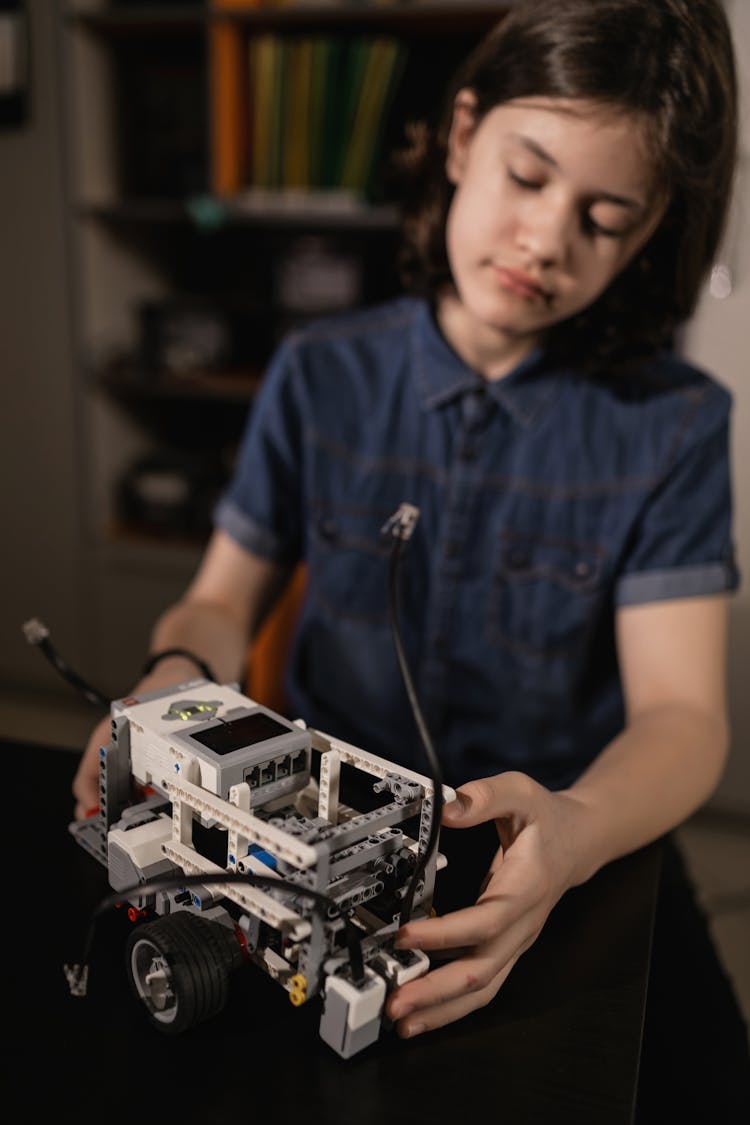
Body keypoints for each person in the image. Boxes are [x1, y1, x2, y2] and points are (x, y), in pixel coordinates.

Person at [74, 0, 749, 1112]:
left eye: (606, 216)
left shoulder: (672, 425)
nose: (545, 240)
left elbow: (684, 719)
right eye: (527, 178)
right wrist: (166, 690)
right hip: (311, 845)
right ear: (461, 134)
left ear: (654, 230)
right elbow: (216, 604)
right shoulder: (317, 372)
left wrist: (573, 833)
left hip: (580, 849)